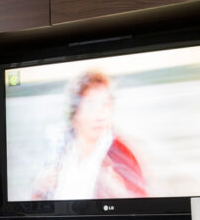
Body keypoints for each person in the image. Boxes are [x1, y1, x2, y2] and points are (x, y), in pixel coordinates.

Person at [31, 70, 146, 201]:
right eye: (91, 105)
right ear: (75, 113)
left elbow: (143, 206)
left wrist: (120, 196)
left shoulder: (122, 155)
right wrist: (39, 189)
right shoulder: (59, 150)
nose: (101, 115)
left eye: (106, 104)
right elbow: (38, 207)